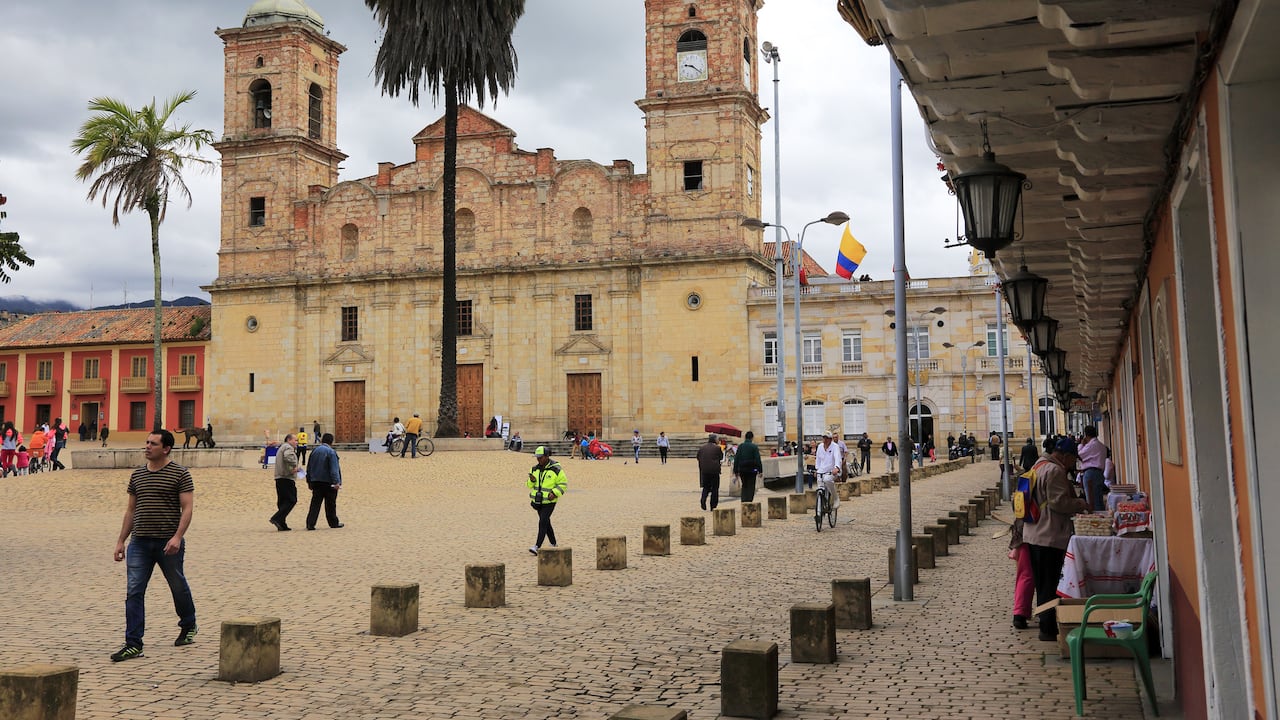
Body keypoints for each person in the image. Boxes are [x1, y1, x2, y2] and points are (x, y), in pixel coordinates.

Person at [110, 429, 197, 662]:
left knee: (177, 585)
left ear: (166, 448)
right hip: (139, 541)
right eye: (147, 442)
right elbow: (130, 510)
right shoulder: (137, 476)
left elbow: (187, 508)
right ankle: (133, 643)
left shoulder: (180, 474)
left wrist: (177, 537)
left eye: (153, 444)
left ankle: (189, 625)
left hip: (168, 542)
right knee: (134, 591)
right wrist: (121, 540)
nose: (147, 446)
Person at [1022, 437, 1090, 641]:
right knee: (1050, 584)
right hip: (1049, 534)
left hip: (1034, 532)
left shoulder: (1038, 465)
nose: (1073, 464)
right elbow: (1058, 503)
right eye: (1072, 460)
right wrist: (1080, 504)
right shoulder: (1055, 471)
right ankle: (1048, 628)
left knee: (1042, 583)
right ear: (1065, 456)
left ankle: (1047, 623)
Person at [526, 446, 566, 555]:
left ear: (547, 456)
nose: (538, 460)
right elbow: (529, 485)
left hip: (549, 501)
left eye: (540, 457)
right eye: (537, 457)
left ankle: (537, 546)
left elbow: (563, 484)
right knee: (546, 522)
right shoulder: (534, 469)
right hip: (538, 501)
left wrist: (555, 493)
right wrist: (531, 480)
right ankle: (553, 543)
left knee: (542, 521)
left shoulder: (556, 469)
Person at [304, 433, 344, 530]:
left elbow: (309, 467)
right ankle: (333, 522)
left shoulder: (314, 451)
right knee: (330, 503)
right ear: (332, 442)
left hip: (316, 481)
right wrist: (337, 482)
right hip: (328, 482)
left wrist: (309, 481)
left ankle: (310, 523)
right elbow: (334, 469)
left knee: (315, 503)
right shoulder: (331, 452)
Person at [270, 434, 299, 531]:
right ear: (289, 440)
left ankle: (282, 524)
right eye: (295, 440)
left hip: (279, 477)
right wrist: (294, 467)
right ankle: (277, 518)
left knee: (282, 502)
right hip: (286, 477)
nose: (297, 442)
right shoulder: (288, 447)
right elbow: (288, 457)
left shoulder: (282, 447)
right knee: (292, 500)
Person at [1077, 425, 1109, 511]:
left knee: (1091, 501)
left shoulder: (1091, 445)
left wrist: (1081, 444)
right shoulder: (1102, 446)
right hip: (1100, 473)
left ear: (1086, 435)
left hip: (1090, 473)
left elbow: (1080, 454)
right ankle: (1101, 517)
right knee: (1098, 499)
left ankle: (1096, 520)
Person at [814, 431, 842, 511]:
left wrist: (836, 468)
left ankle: (835, 497)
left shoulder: (835, 447)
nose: (825, 440)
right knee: (820, 485)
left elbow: (838, 458)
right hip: (821, 470)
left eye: (826, 438)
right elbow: (818, 459)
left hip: (831, 471)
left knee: (827, 480)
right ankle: (820, 508)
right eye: (823, 438)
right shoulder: (820, 446)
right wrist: (817, 469)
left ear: (830, 439)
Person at [733, 430, 763, 503]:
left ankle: (743, 501)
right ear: (752, 438)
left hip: (742, 469)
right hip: (752, 470)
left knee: (744, 486)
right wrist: (760, 470)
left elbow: (736, 459)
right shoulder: (754, 447)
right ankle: (749, 501)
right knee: (751, 486)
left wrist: (735, 470)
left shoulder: (740, 446)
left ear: (745, 438)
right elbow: (758, 459)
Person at [696, 434, 723, 511]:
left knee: (706, 487)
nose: (718, 440)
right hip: (714, 471)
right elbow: (721, 457)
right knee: (715, 488)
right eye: (718, 439)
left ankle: (703, 500)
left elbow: (698, 457)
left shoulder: (702, 448)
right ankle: (713, 505)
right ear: (715, 440)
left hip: (704, 470)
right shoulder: (717, 448)